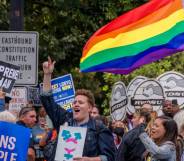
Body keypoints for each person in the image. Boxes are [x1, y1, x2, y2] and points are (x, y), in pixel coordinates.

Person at [40, 57, 115, 161]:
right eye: (74, 102)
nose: (76, 104)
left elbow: (110, 157)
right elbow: (47, 99)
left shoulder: (99, 129)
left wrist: (90, 160)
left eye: (80, 102)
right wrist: (47, 74)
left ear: (89, 108)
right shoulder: (64, 119)